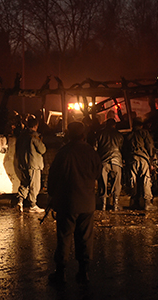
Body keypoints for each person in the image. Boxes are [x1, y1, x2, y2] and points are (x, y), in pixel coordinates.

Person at [47, 121, 102, 285]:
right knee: (85, 238)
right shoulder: (91, 152)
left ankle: (60, 272)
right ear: (83, 135)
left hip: (68, 202)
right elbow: (97, 173)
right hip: (87, 203)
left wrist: (52, 196)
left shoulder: (64, 153)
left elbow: (53, 177)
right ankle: (83, 272)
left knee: (64, 236)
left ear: (68, 135)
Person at [124, 118, 157, 211]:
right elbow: (150, 146)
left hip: (132, 159)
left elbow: (125, 149)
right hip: (143, 159)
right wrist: (152, 160)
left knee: (132, 180)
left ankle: (134, 202)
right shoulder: (144, 133)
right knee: (146, 180)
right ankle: (147, 203)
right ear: (141, 125)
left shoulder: (128, 135)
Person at [15, 116, 46, 213]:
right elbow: (42, 150)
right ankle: (33, 205)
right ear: (36, 126)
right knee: (34, 185)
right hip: (33, 164)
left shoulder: (21, 136)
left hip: (23, 163)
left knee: (24, 183)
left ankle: (20, 201)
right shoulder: (34, 136)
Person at [95, 119, 124, 211]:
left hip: (103, 161)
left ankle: (103, 204)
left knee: (102, 183)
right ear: (114, 125)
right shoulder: (119, 135)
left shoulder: (100, 134)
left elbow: (94, 148)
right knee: (117, 184)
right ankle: (115, 204)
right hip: (116, 161)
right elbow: (121, 147)